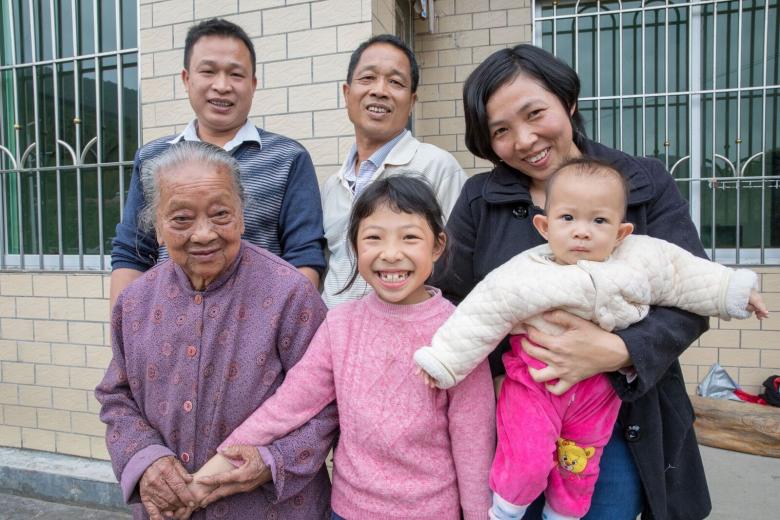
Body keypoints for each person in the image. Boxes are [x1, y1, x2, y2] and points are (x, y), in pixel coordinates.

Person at [433, 43, 719, 520]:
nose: (523, 140)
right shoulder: (480, 198)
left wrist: (620, 351)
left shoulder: (642, 181)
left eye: (534, 113)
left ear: (567, 100)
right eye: (501, 131)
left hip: (624, 418)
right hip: (518, 418)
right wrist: (503, 375)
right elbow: (452, 298)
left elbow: (690, 293)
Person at [414, 158, 768, 520]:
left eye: (599, 221)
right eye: (568, 219)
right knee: (528, 457)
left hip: (599, 390)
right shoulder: (525, 271)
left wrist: (735, 292)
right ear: (544, 226)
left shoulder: (640, 258)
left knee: (580, 463)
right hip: (535, 382)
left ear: (621, 232)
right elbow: (480, 314)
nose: (582, 231)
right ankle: (506, 509)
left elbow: (687, 276)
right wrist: (444, 361)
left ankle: (564, 513)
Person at [192, 176, 495, 520]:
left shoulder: (460, 331)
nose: (391, 254)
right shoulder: (340, 325)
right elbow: (291, 403)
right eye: (373, 238)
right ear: (354, 246)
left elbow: (474, 443)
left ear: (437, 245)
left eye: (410, 237)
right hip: (349, 510)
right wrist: (211, 473)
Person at [96, 142, 337, 520]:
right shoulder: (135, 303)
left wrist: (272, 460)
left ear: (241, 216)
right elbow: (116, 395)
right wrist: (146, 461)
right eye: (181, 219)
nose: (204, 234)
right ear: (157, 226)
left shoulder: (290, 295)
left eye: (220, 214)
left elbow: (332, 404)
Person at [110, 18, 325, 308]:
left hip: (256, 330)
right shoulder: (153, 157)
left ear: (253, 84)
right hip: (168, 332)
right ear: (187, 79)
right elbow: (132, 253)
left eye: (236, 74)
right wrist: (127, 333)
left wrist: (278, 329)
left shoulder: (288, 157)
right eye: (208, 71)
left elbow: (304, 258)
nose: (221, 86)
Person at [321, 34, 467, 307]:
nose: (380, 90)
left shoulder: (438, 167)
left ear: (412, 102)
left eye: (395, 82)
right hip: (334, 336)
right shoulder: (332, 185)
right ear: (346, 93)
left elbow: (456, 270)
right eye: (367, 78)